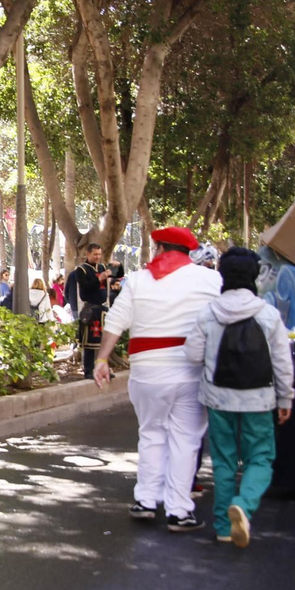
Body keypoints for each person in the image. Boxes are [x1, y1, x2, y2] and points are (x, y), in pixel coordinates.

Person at [93, 226, 221, 531]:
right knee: (186, 440)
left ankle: (146, 500)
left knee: (151, 433)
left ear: (160, 248)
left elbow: (116, 321)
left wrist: (101, 359)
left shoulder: (138, 280)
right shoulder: (211, 280)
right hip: (191, 372)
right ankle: (179, 510)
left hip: (147, 371)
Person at [186, 248, 293, 548]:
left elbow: (192, 354)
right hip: (259, 400)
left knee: (223, 460)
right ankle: (243, 504)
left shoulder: (208, 313)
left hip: (218, 399)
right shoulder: (268, 314)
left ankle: (223, 527)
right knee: (261, 458)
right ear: (254, 276)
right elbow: (282, 363)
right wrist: (285, 398)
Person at [65, 245, 108, 378]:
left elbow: (117, 275)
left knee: (103, 342)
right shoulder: (81, 270)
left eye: (99, 254)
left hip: (102, 309)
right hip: (90, 309)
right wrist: (99, 279)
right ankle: (89, 370)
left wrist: (117, 267)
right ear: (88, 254)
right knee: (89, 341)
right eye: (95, 254)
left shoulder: (102, 267)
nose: (97, 257)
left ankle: (102, 369)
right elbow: (85, 287)